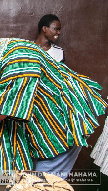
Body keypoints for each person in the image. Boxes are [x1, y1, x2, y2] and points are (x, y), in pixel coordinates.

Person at [0, 24, 107, 179]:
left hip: (61, 127)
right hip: (35, 132)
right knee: (19, 180)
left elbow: (1, 109)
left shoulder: (20, 57)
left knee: (41, 184)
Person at [34, 14, 81, 177]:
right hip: (32, 105)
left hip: (52, 106)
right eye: (56, 28)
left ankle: (47, 179)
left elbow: (62, 81)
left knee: (57, 143)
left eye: (60, 29)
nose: (59, 33)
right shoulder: (29, 50)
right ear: (44, 29)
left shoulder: (58, 53)